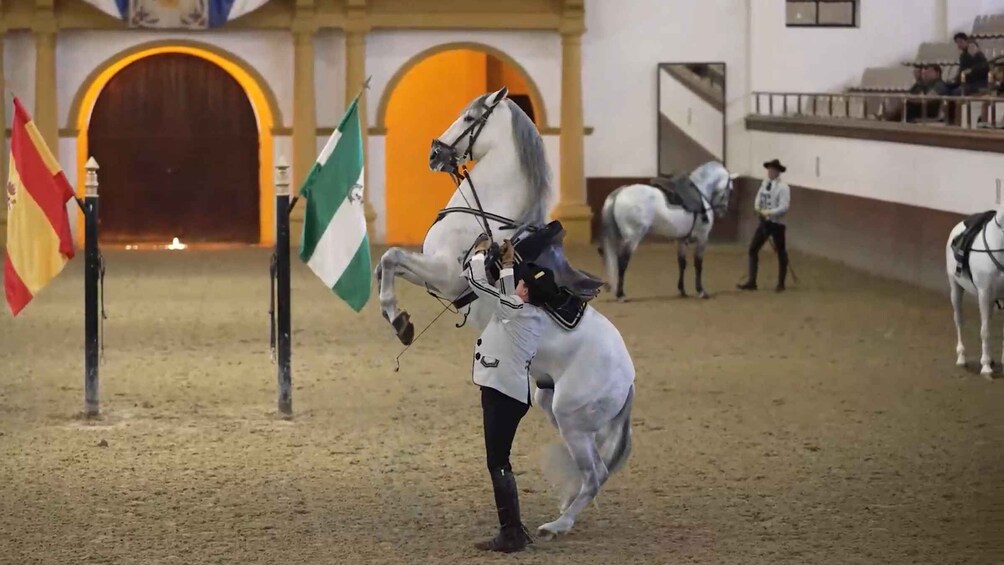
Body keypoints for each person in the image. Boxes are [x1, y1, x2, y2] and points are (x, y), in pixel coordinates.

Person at [463, 234, 559, 553]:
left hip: (503, 394)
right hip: (510, 392)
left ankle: (511, 533)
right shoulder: (528, 311)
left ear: (526, 291)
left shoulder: (516, 309)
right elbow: (507, 298)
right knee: (500, 461)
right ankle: (514, 529)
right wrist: (505, 265)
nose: (519, 282)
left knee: (498, 462)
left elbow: (480, 286)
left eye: (522, 281)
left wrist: (477, 256)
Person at [738, 159, 790, 292]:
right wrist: (758, 208)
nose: (770, 172)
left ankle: (781, 283)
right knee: (753, 249)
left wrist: (769, 212)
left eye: (773, 170)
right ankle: (752, 281)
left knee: (780, 252)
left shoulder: (783, 187)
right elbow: (758, 198)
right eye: (769, 170)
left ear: (778, 172)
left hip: (777, 223)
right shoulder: (764, 184)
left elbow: (784, 207)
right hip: (764, 222)